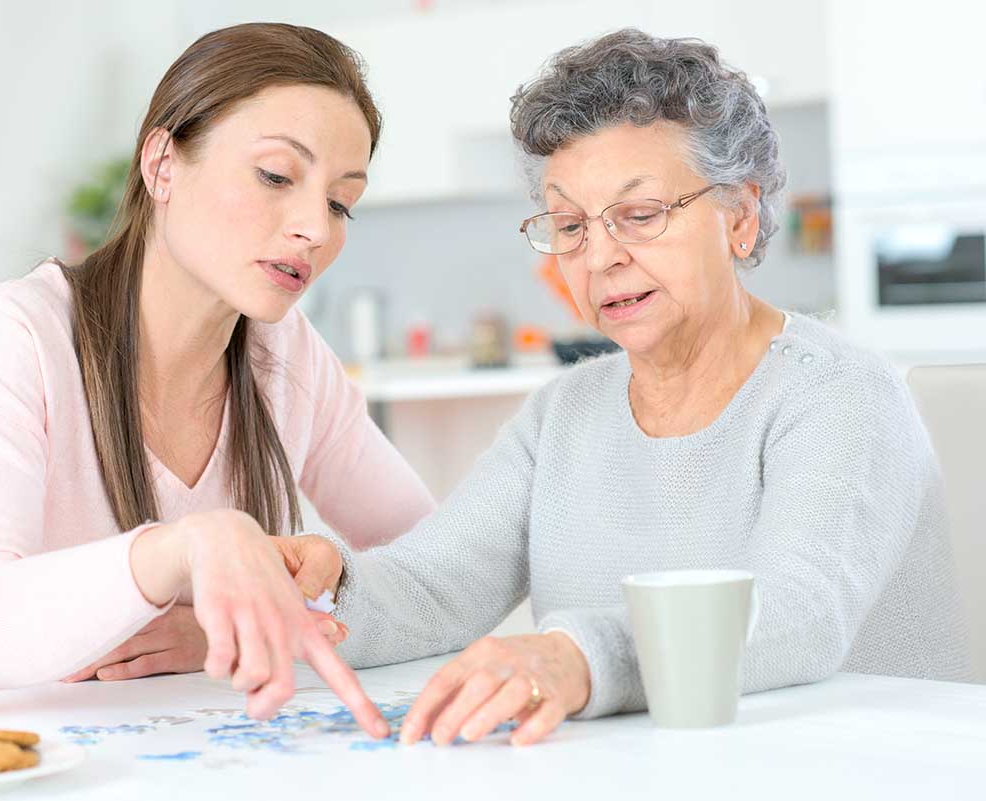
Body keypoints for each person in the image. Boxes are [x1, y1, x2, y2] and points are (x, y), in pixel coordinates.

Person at [279, 28, 972, 747]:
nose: (601, 256)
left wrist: (583, 656)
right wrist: (328, 587)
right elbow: (437, 585)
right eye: (571, 224)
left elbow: (800, 612)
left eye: (639, 216)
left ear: (739, 216)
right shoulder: (564, 413)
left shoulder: (841, 393)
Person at [0, 22, 437, 739]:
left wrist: (240, 631)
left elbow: (443, 568)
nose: (314, 226)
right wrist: (181, 550)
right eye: (276, 176)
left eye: (340, 201)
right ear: (162, 164)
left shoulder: (288, 355)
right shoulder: (24, 331)